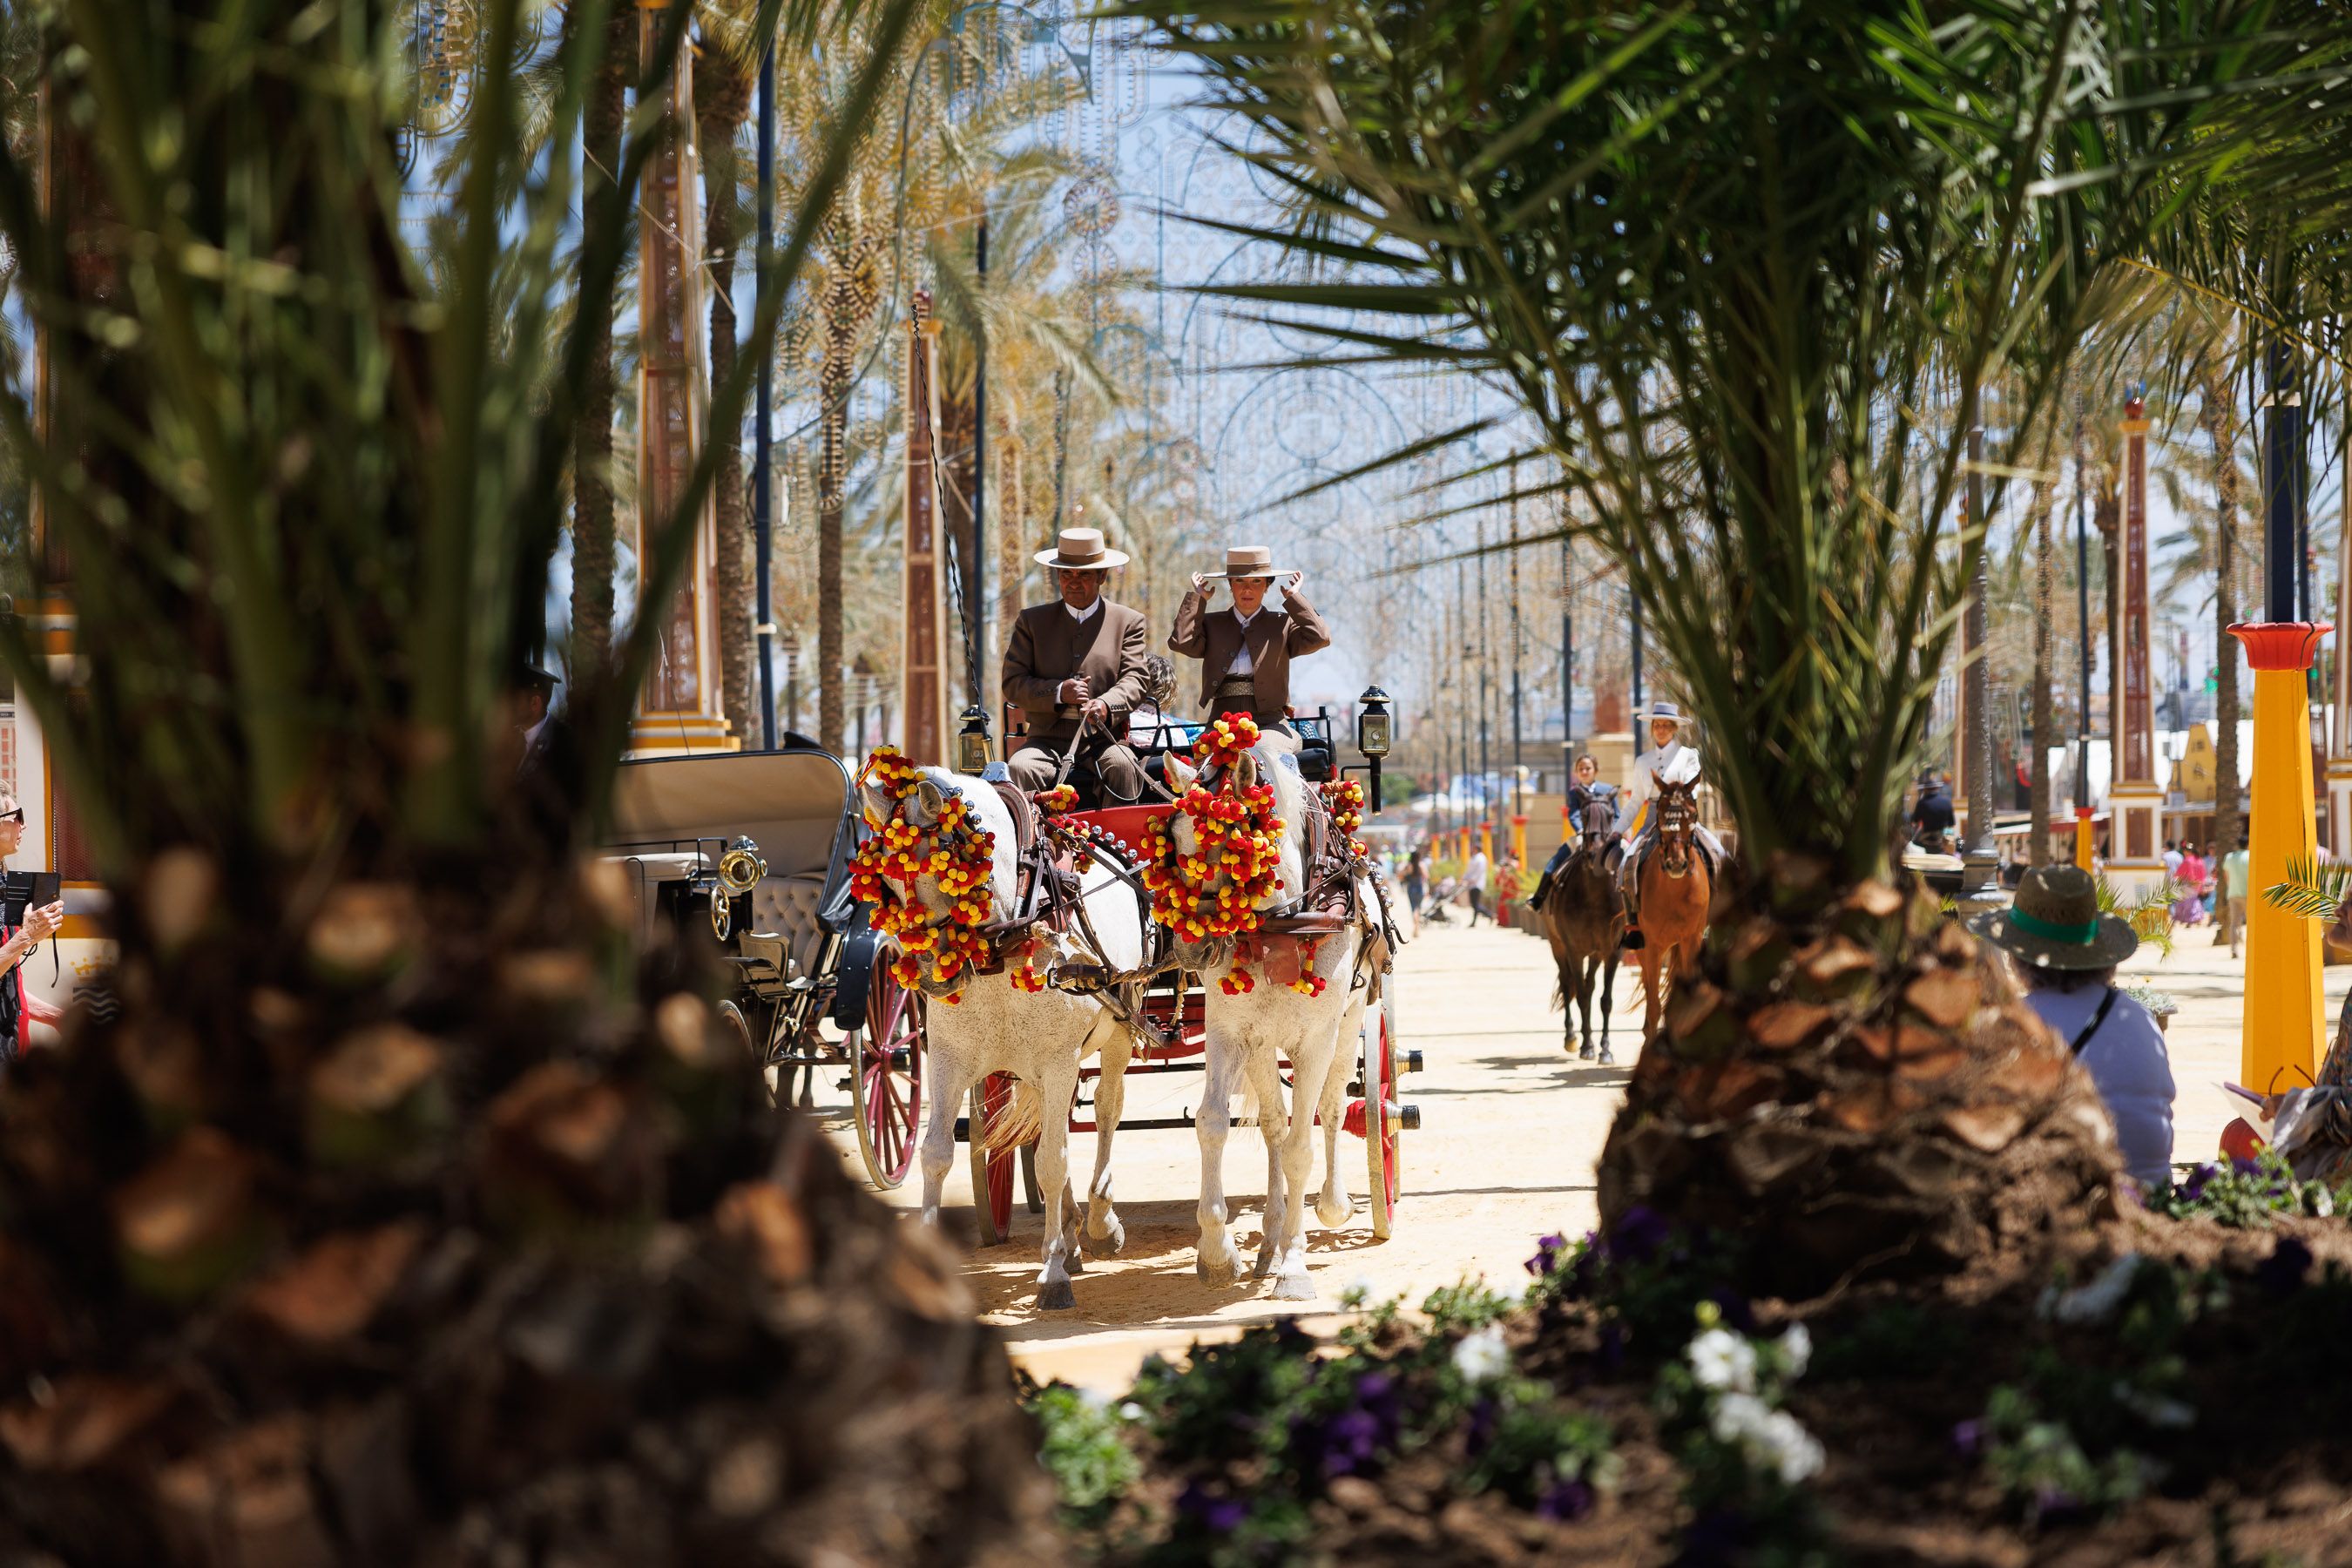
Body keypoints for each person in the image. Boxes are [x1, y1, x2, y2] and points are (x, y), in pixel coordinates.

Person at [1969, 865, 2174, 1187]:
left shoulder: (2017, 1024)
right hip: (2154, 1197)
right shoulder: (2140, 1017)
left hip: (2069, 1206)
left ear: (2018, 957)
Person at [1003, 528, 1152, 801]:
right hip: (1044, 741)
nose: (1074, 582)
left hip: (1105, 741)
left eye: (1084, 575)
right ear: (1057, 577)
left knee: (1124, 766)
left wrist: (1106, 704)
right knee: (1019, 767)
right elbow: (1013, 683)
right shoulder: (1032, 622)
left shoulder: (1127, 622)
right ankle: (1033, 844)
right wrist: (1059, 692)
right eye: (1066, 574)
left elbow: (1136, 679)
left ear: (1102, 577)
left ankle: (1115, 844)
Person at [1167, 544, 1331, 738]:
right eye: (1239, 581)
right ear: (1230, 584)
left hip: (1272, 724)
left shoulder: (1282, 623)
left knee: (1264, 751)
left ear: (1267, 585)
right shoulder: (1212, 623)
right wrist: (1198, 599)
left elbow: (1320, 637)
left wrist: (1295, 598)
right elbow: (1181, 642)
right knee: (1208, 762)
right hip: (1221, 723)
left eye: (1256, 581)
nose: (1247, 589)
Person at [1619, 704, 1728, 946]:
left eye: (1666, 725)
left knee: (1721, 856)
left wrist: (1676, 799)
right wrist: (1617, 829)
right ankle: (1634, 924)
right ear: (1652, 729)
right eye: (1657, 725)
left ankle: (1714, 920)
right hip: (1652, 819)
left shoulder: (1689, 755)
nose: (1661, 729)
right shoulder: (1642, 761)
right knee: (1626, 863)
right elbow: (1637, 800)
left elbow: (1694, 788)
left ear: (1674, 728)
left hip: (1683, 816)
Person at [0, 794, 64, 1074]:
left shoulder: (4, 883)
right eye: (17, 817)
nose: (23, 826)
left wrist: (54, 1017)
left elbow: (6, 982)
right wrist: (26, 936)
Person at [1531, 754, 1603, 910]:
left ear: (1595, 770)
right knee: (1556, 860)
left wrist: (1616, 831)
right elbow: (1574, 814)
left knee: (1628, 855)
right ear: (1576, 773)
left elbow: (1616, 814)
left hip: (1606, 834)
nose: (1584, 772)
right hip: (1583, 835)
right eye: (1580, 769)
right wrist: (1581, 830)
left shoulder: (1607, 789)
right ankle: (1539, 897)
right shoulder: (1574, 793)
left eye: (1588, 768)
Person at [2220, 832, 2251, 958]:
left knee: (2234, 923)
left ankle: (2234, 949)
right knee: (2251, 923)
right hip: (2249, 894)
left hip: (2233, 893)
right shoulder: (2251, 856)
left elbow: (2225, 875)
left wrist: (2230, 886)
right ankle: (2251, 948)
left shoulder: (2229, 857)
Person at [1908, 772, 1955, 853]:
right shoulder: (1947, 802)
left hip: (1925, 840)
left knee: (1912, 845)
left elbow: (1915, 821)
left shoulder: (1922, 803)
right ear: (1936, 788)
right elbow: (1951, 823)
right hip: (1942, 841)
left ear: (1925, 790)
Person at [2172, 842, 2207, 927]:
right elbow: (2203, 873)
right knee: (2194, 901)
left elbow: (2180, 873)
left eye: (2185, 850)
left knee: (2187, 903)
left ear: (2189, 852)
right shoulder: (2200, 860)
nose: (2184, 852)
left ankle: (2190, 920)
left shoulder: (2188, 860)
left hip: (2188, 884)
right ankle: (2196, 919)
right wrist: (2201, 884)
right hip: (2198, 884)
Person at [1464, 842, 1490, 926]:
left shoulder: (1481, 858)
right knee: (1474, 903)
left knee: (1475, 903)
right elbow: (1469, 870)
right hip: (1472, 884)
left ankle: (1485, 916)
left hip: (1477, 884)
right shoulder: (1474, 858)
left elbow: (1479, 872)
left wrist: (1472, 880)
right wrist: (1464, 878)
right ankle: (1489, 915)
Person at [1402, 848, 1428, 916]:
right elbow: (1426, 876)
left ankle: (1415, 922)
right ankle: (1417, 923)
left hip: (1411, 888)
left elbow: (1400, 875)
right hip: (1419, 888)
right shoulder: (1421, 865)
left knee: (1413, 907)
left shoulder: (1408, 866)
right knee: (1418, 907)